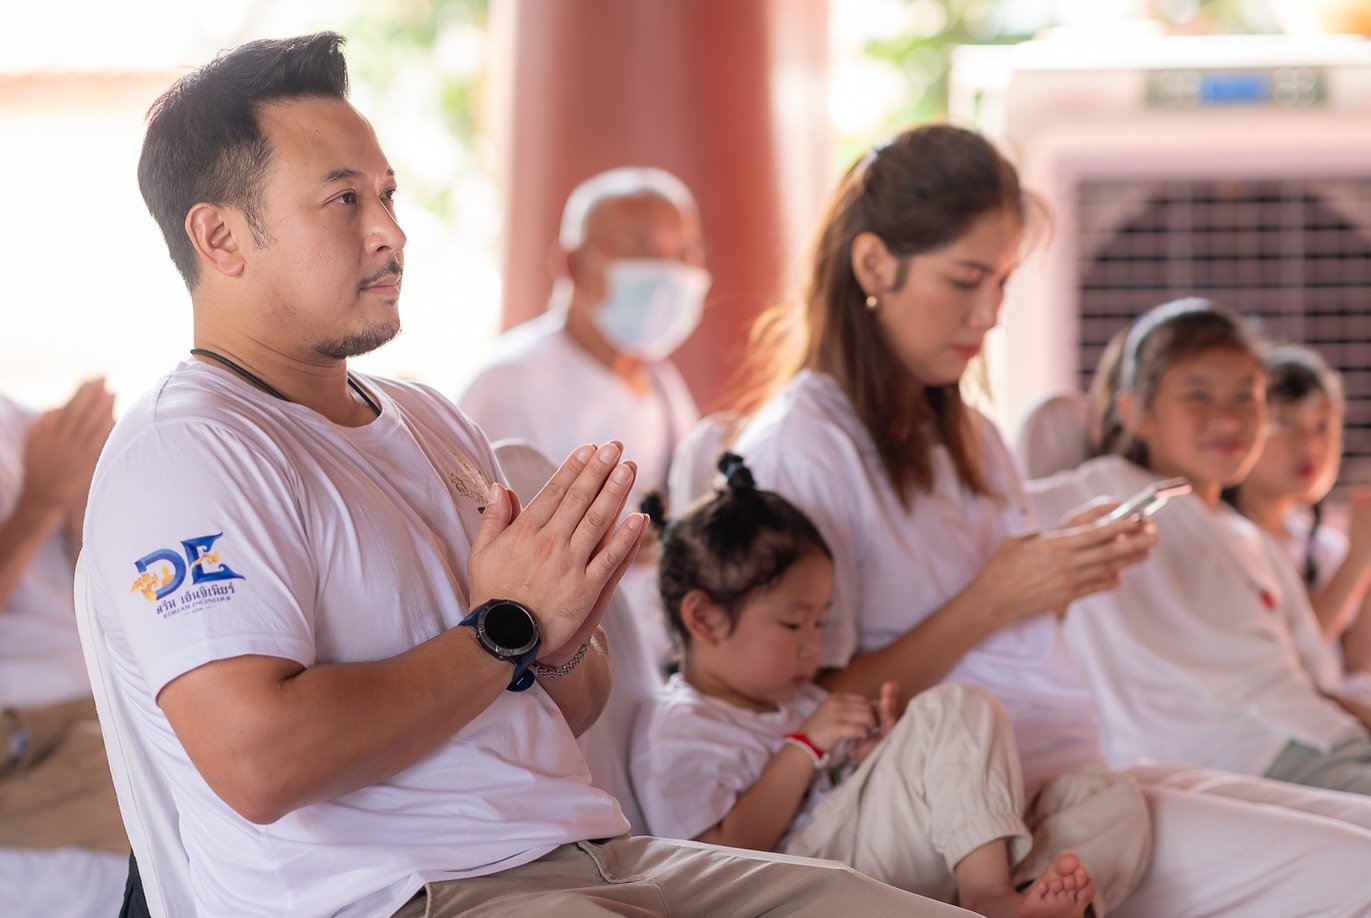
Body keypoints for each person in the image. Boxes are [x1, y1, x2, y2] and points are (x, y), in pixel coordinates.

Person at [83, 32, 976, 918]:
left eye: (387, 194)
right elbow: (258, 762)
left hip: (597, 857)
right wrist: (504, 627)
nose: (390, 231)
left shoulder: (428, 417)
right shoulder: (185, 449)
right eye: (343, 199)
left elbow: (574, 701)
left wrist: (557, 621)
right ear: (222, 237)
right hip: (413, 894)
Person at [727, 123, 1371, 917]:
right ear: (873, 265)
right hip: (935, 807)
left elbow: (1006, 636)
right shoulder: (805, 444)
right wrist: (1001, 594)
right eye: (966, 280)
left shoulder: (966, 433)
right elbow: (802, 707)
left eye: (1001, 283)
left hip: (1054, 776)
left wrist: (1066, 573)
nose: (988, 314)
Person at [633, 452, 1101, 918]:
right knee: (954, 707)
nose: (812, 646)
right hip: (801, 884)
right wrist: (804, 746)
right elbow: (716, 861)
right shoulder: (678, 728)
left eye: (820, 623)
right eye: (794, 624)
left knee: (1101, 798)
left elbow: (843, 797)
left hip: (875, 862)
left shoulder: (799, 700)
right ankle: (990, 898)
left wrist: (868, 761)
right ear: (704, 617)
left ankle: (1014, 898)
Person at [1027, 299, 1371, 796]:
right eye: (1198, 396)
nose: (1228, 418)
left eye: (1246, 397)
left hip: (1325, 742)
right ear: (1136, 413)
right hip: (1234, 759)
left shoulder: (1251, 538)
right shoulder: (1109, 490)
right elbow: (989, 511)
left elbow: (1317, 678)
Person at [459, 167, 708, 668]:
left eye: (682, 254)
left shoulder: (661, 380)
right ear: (573, 265)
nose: (670, 274)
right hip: (557, 663)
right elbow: (476, 544)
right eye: (644, 254)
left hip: (659, 657)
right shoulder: (510, 383)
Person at [0, 379, 124, 855]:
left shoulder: (33, 427)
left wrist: (86, 524)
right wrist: (41, 505)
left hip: (103, 710)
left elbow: (105, 613)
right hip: (31, 744)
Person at [1224, 342, 1371, 680]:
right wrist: (1357, 559)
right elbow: (1289, 664)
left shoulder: (1325, 549)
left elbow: (1357, 668)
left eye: (1323, 426)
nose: (1309, 444)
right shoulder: (1226, 541)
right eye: (1285, 422)